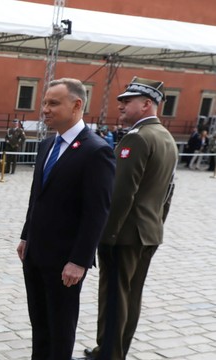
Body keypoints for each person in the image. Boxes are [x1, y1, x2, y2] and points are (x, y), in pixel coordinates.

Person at [17, 78, 115, 360]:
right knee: (40, 323)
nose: (45, 109)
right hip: (36, 253)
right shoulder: (47, 145)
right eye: (44, 102)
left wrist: (80, 260)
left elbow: (97, 212)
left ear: (76, 105)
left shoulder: (96, 151)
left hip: (65, 261)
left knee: (60, 327)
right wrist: (26, 236)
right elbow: (37, 197)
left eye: (53, 103)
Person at [80, 77, 178, 360]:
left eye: (128, 101)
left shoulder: (137, 138)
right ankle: (116, 350)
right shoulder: (165, 137)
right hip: (148, 231)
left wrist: (106, 235)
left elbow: (121, 194)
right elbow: (168, 192)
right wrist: (156, 224)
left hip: (124, 234)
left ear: (147, 104)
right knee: (130, 296)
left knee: (113, 297)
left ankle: (108, 353)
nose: (120, 105)